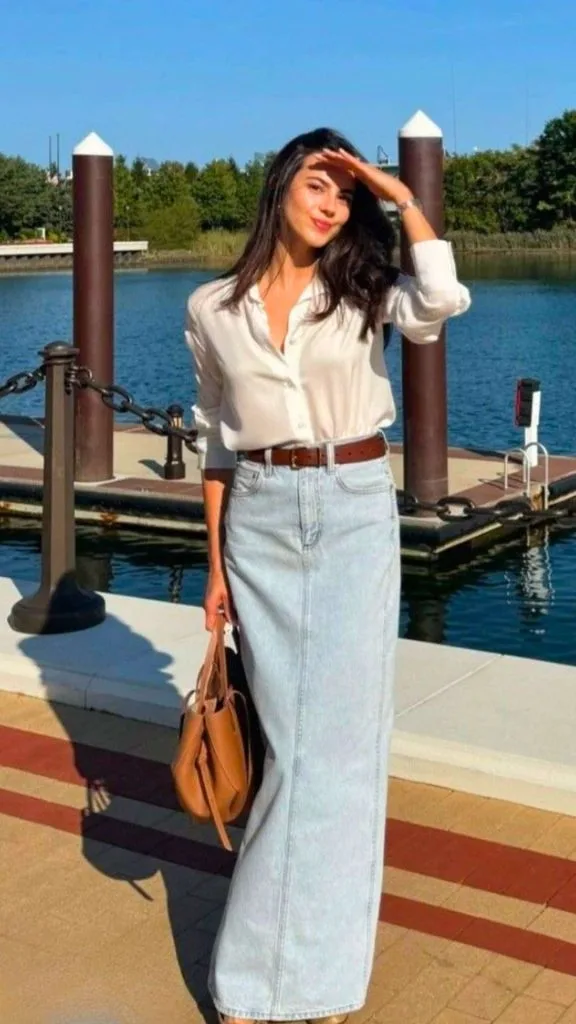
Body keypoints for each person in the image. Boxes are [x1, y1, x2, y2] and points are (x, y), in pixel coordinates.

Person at [185, 127, 471, 1024]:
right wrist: (213, 569)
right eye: (318, 183)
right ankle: (280, 977)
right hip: (260, 519)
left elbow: (444, 299)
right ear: (281, 189)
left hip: (351, 509)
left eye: (344, 194)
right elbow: (215, 443)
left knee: (338, 757)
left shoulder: (362, 293)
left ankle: (292, 984)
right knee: (293, 749)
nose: (330, 203)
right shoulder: (210, 308)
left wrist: (400, 195)